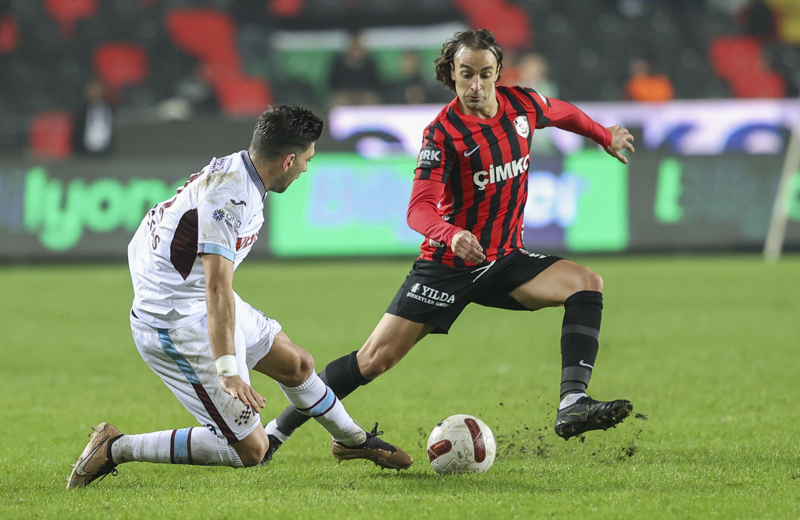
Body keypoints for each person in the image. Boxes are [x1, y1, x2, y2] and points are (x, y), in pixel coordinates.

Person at [262, 30, 636, 465]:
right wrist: (451, 234)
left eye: (485, 74)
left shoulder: (522, 105)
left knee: (585, 283)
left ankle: (573, 402)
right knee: (373, 361)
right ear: (451, 75)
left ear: (498, 72)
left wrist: (602, 135)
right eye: (466, 74)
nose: (475, 85)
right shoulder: (443, 133)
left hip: (505, 259)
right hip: (447, 267)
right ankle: (275, 433)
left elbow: (562, 112)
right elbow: (418, 209)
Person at [66, 105, 412, 489]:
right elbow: (216, 287)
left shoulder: (242, 171)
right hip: (175, 322)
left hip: (195, 298)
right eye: (307, 160)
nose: (306, 169)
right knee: (251, 450)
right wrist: (228, 368)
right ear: (288, 160)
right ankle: (116, 447)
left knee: (297, 364)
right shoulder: (229, 199)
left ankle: (352, 440)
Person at [327, 31, 383, 107]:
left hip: (365, 95)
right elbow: (332, 84)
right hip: (344, 95)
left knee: (372, 100)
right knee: (335, 101)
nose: (356, 47)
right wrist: (349, 93)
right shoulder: (338, 62)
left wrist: (360, 94)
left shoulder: (370, 62)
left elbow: (376, 84)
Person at [72, 77, 114, 156]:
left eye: (97, 89)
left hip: (108, 156)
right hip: (85, 156)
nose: (94, 93)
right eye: (91, 90)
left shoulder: (112, 111)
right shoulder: (80, 113)